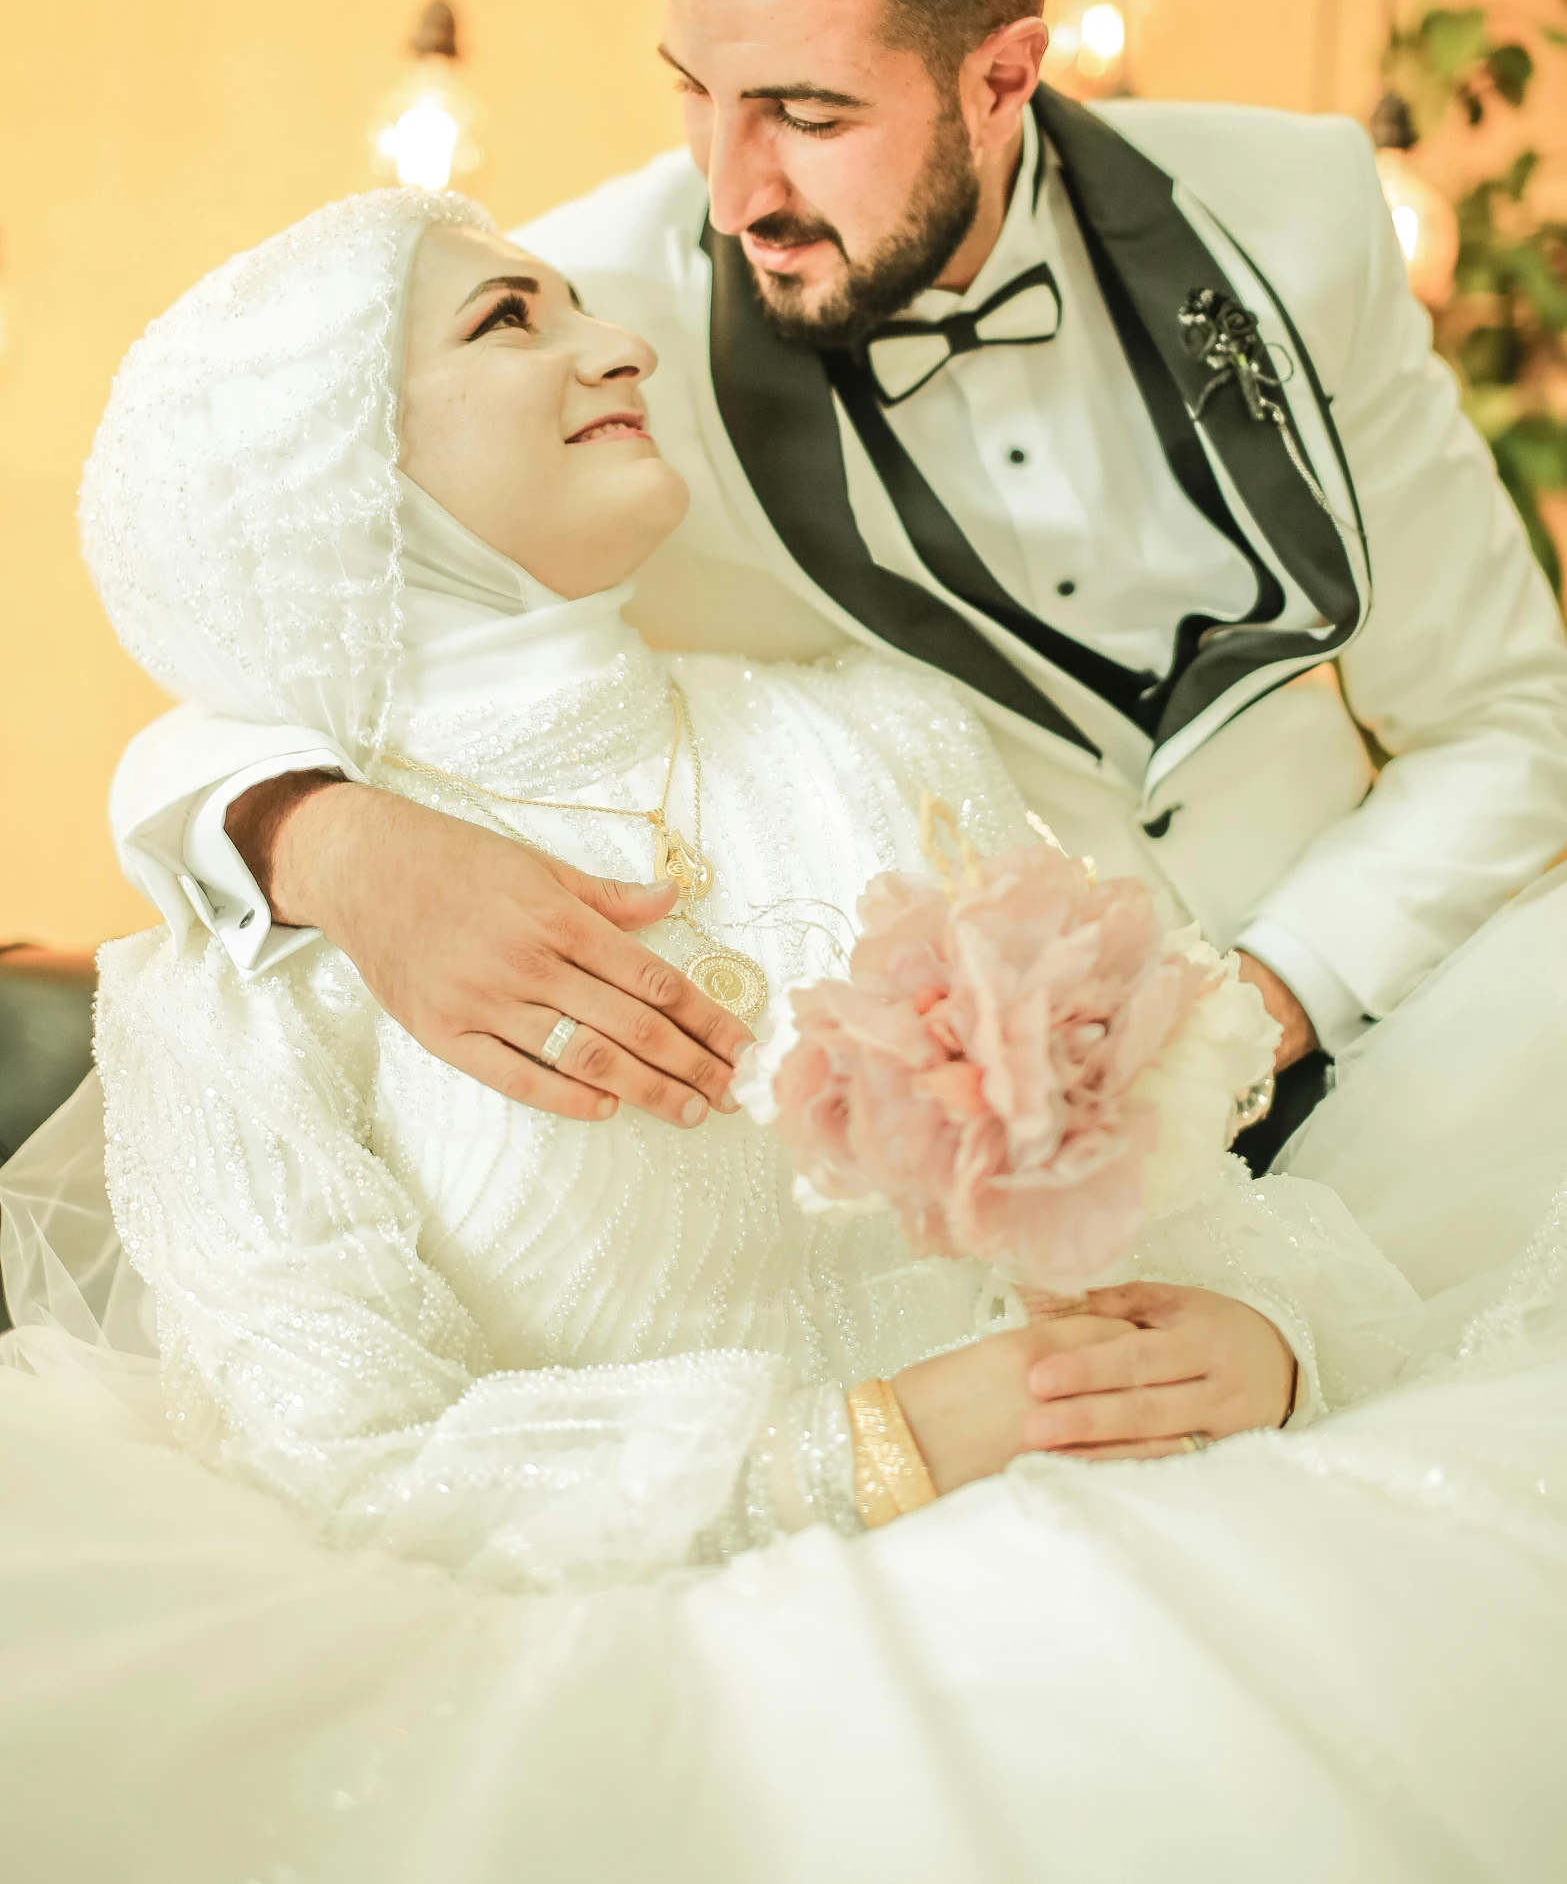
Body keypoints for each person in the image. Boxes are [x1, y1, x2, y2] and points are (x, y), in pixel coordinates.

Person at [2, 184, 1565, 1884]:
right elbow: (355, 1459)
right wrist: (877, 1443)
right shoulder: (249, 959)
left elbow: (1163, 1195)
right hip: (634, 1684)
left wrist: (1257, 1334)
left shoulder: (876, 734)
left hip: (1131, 1550)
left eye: (578, 300)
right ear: (316, 467)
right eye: (506, 318)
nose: (618, 341)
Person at [104, 0, 1567, 1169]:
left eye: (806, 114)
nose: (734, 188)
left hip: (1394, 1055)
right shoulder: (585, 325)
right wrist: (337, 850)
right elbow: (225, 634)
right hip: (939, 1188)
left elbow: (1505, 714)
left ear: (1000, 79)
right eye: (694, 90)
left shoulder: (1297, 212)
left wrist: (1265, 1001)